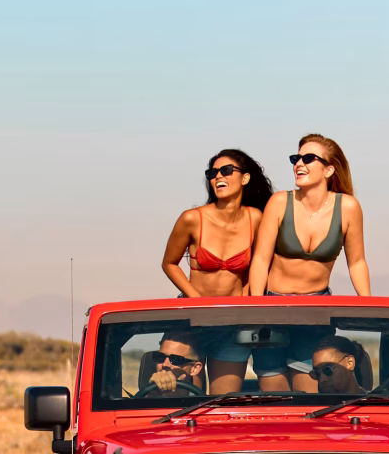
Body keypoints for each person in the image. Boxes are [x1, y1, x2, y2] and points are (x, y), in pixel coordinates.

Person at [248, 134, 372, 391]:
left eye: (308, 158)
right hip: (271, 309)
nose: (298, 164)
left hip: (315, 311)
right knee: (276, 398)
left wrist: (368, 304)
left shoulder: (348, 207)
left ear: (329, 169)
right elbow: (260, 259)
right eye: (296, 158)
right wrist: (257, 306)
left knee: (308, 397)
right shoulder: (280, 202)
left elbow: (357, 262)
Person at [160, 150, 273, 392]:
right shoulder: (192, 218)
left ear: (245, 178)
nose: (217, 176)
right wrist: (197, 301)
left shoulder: (256, 218)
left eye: (226, 170)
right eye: (212, 173)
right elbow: (169, 263)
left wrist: (246, 302)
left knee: (222, 402)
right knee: (187, 398)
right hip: (192, 319)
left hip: (232, 322)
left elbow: (256, 267)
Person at [136, 334, 207, 398]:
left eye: (176, 359)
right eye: (160, 357)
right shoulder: (139, 402)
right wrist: (153, 394)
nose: (165, 364)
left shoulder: (202, 408)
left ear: (194, 368)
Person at [308, 335, 374, 395]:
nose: (322, 379)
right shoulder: (314, 407)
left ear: (350, 362)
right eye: (317, 373)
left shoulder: (375, 405)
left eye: (328, 369)